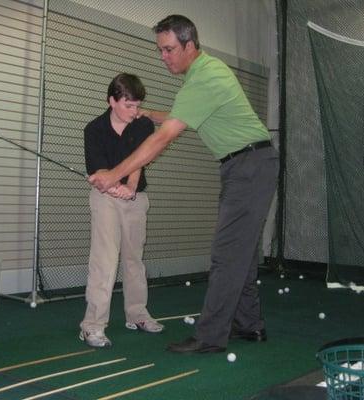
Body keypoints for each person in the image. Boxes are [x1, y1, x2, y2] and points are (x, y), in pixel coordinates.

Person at [88, 15, 279, 353]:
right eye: (160, 50)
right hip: (248, 165)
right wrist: (148, 115)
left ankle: (209, 337)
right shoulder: (204, 74)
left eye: (169, 49)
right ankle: (249, 324)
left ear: (190, 46)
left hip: (248, 166)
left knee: (226, 253)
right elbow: (176, 117)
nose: (164, 56)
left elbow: (164, 138)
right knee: (243, 253)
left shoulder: (204, 78)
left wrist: (114, 173)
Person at [79, 73, 164, 348]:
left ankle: (137, 314)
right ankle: (92, 326)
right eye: (128, 105)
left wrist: (130, 185)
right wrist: (115, 186)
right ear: (111, 101)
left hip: (135, 198)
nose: (134, 111)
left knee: (133, 259)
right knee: (105, 260)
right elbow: (100, 171)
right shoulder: (93, 129)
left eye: (137, 105)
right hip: (105, 199)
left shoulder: (141, 125)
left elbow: (140, 160)